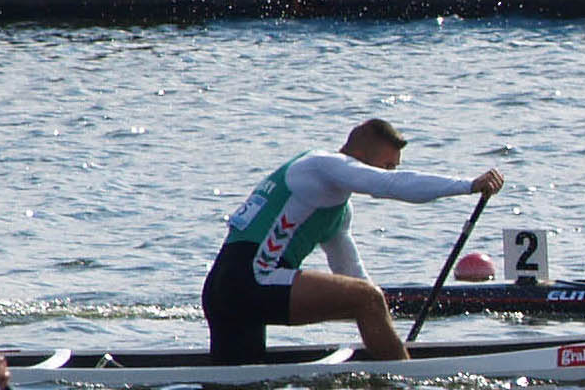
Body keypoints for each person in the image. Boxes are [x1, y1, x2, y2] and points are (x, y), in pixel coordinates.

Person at [200, 118, 503, 364]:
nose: (389, 171)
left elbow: (352, 276)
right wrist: (468, 186)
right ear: (361, 152)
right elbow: (389, 185)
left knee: (239, 389)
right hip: (252, 280)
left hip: (222, 289)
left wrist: (384, 325)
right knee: (367, 299)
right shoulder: (320, 164)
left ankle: (388, 376)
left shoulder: (335, 209)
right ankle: (406, 386)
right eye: (386, 164)